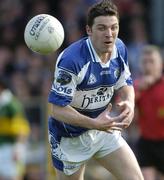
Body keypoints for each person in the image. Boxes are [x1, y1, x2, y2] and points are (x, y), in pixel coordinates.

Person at [48, 0, 143, 179]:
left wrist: (129, 103)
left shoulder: (120, 48)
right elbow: (57, 110)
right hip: (70, 138)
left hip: (104, 130)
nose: (109, 34)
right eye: (102, 28)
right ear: (89, 30)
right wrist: (94, 123)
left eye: (114, 27)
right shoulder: (72, 60)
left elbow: (125, 83)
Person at [134, 45, 164, 180]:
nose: (148, 65)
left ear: (161, 64)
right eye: (145, 62)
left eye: (152, 61)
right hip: (146, 142)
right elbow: (125, 114)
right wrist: (139, 91)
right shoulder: (134, 87)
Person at [0, 77, 30, 180]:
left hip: (11, 147)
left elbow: (22, 128)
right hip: (2, 146)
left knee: (14, 176)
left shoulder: (11, 105)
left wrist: (18, 147)